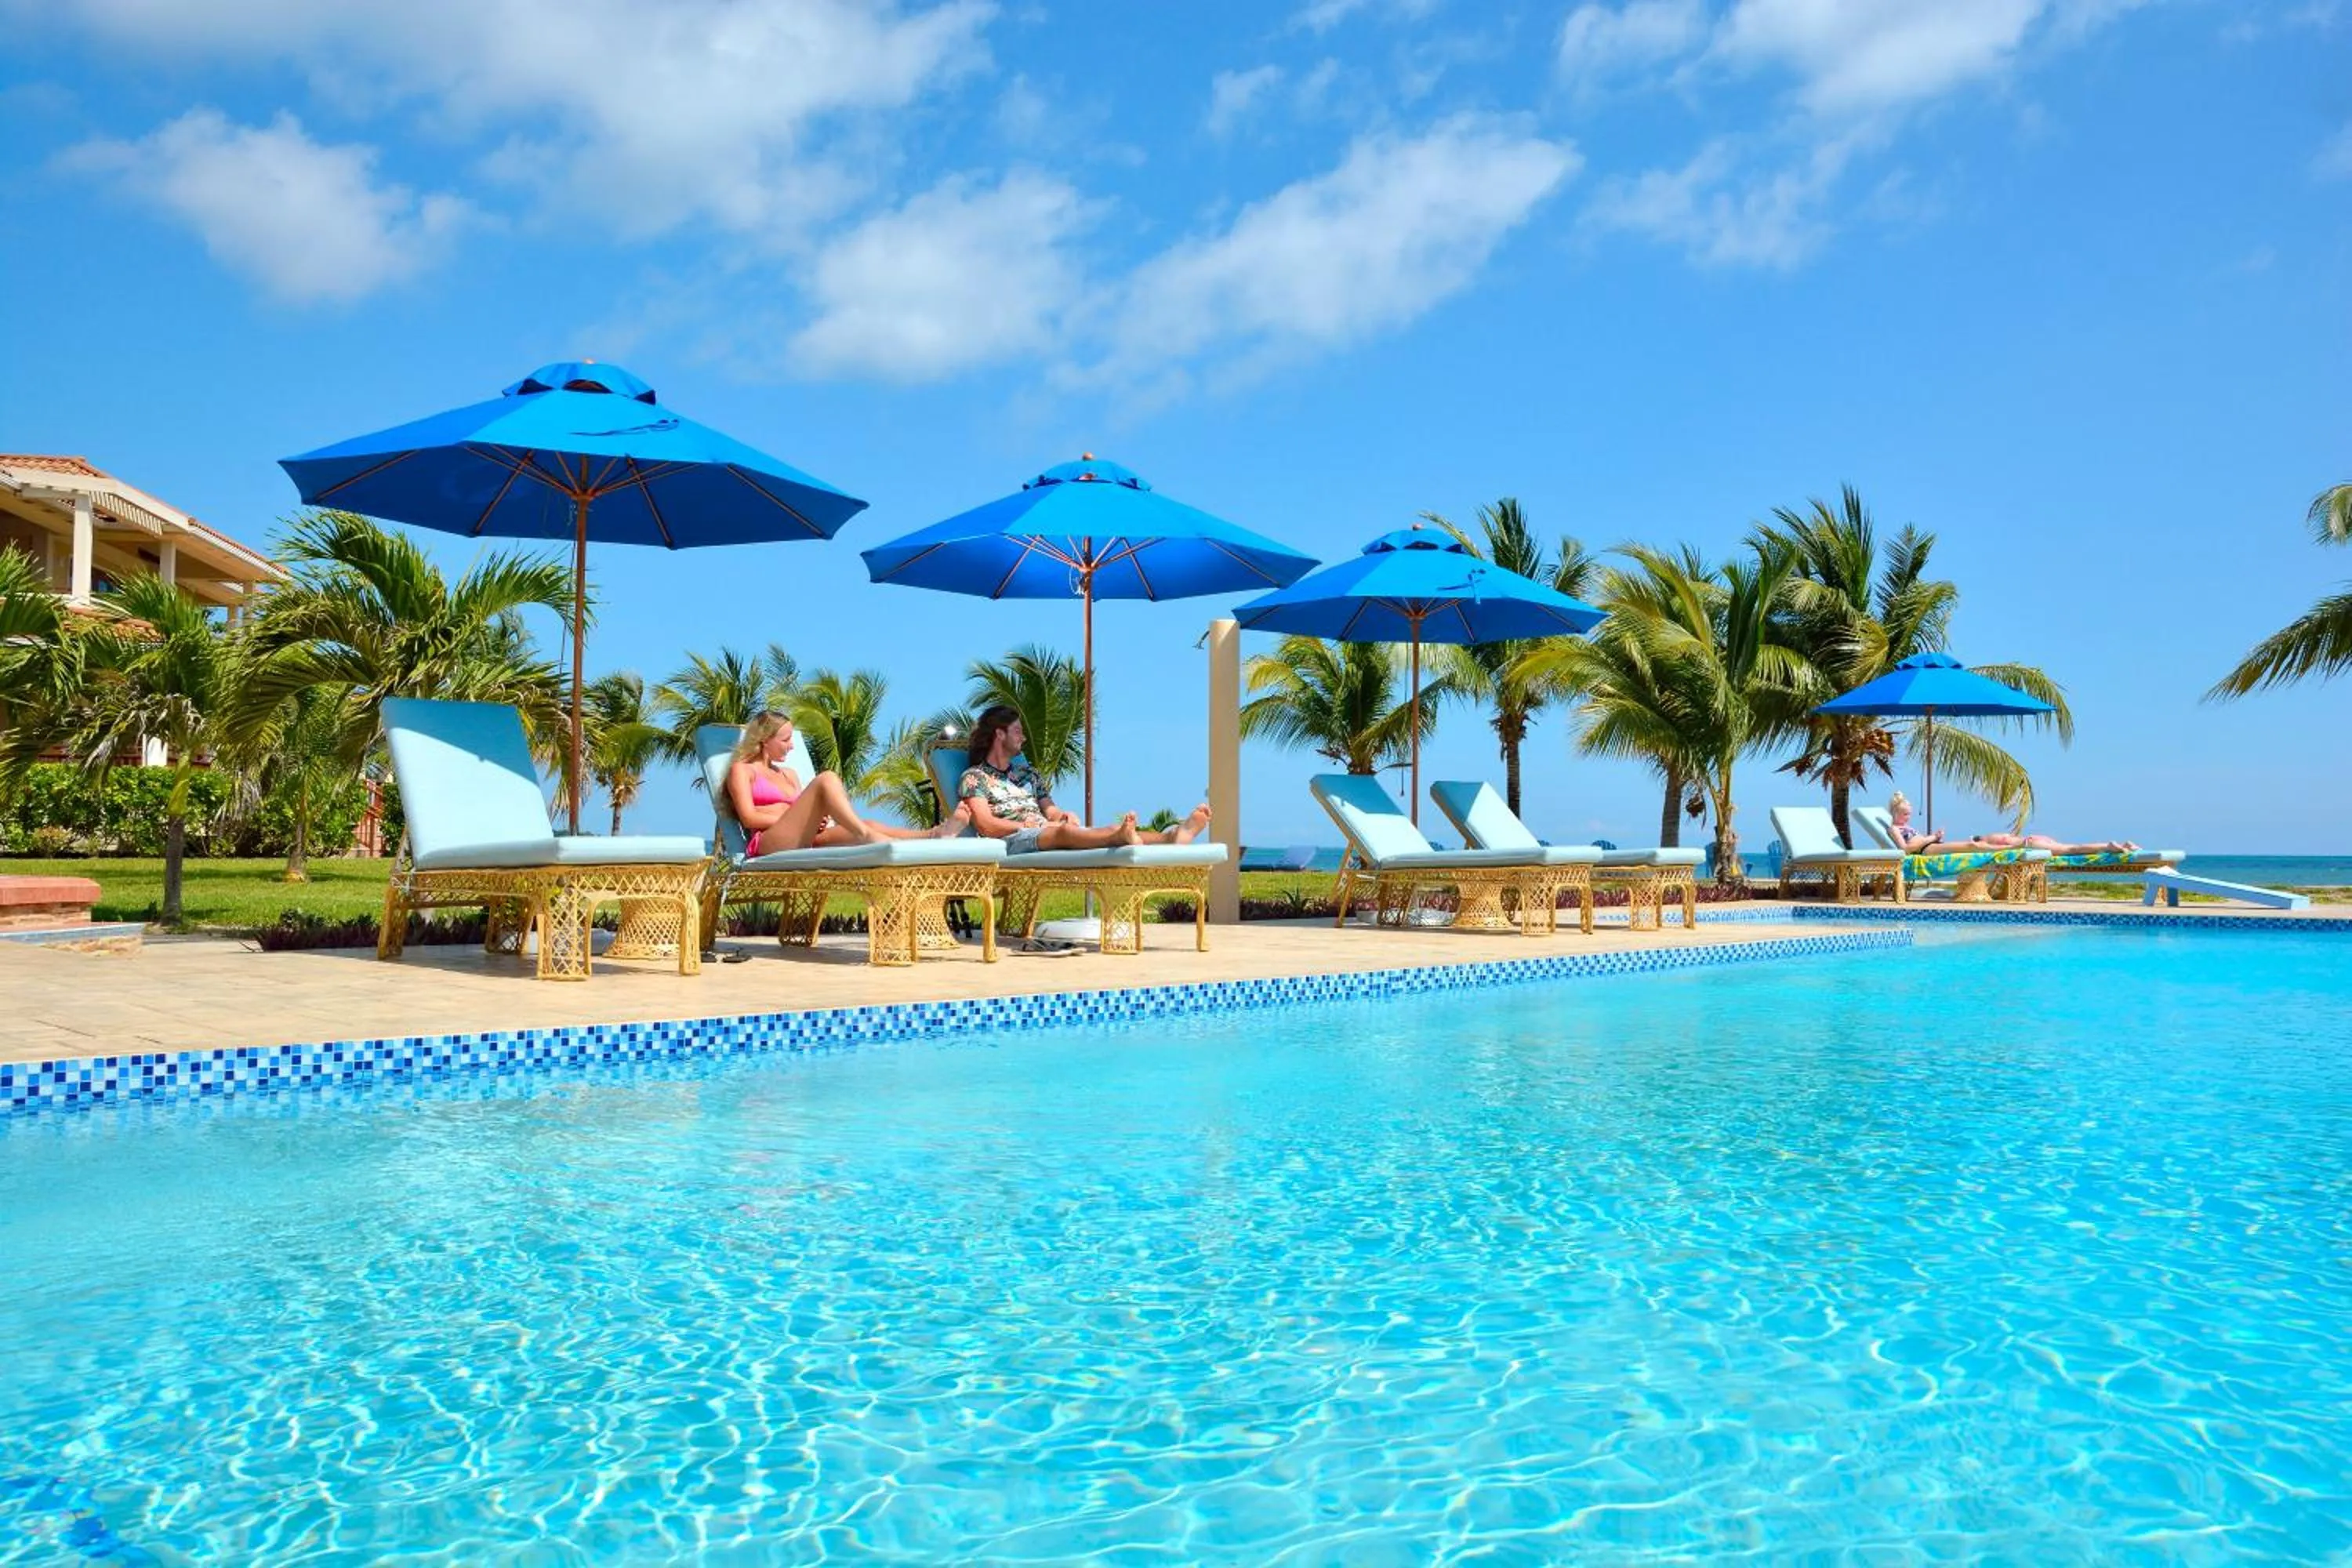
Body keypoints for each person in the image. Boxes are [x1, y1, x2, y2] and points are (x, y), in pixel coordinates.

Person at [958, 705, 1212, 853]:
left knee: (1093, 830)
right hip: (1010, 841)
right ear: (999, 734)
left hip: (1047, 832)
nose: (1023, 738)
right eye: (1017, 732)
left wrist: (1063, 816)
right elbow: (986, 825)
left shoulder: (1028, 774)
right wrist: (1031, 827)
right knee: (1065, 834)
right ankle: (1120, 837)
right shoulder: (974, 778)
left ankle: (1172, 837)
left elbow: (1051, 809)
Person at [726, 712, 967, 855]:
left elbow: (800, 811)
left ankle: (934, 834)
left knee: (868, 822)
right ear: (764, 740)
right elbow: (749, 818)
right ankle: (867, 836)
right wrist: (795, 817)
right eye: (786, 740)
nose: (792, 746)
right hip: (768, 842)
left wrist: (812, 819)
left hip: (806, 838)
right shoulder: (743, 770)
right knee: (826, 779)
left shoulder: (789, 774)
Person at [1888, 789, 2139, 855]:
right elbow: (1905, 849)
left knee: (2069, 847)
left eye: (1909, 814)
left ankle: (2110, 845)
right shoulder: (1893, 828)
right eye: (1904, 814)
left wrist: (1934, 836)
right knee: (1973, 846)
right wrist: (1932, 837)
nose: (1907, 817)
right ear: (1895, 812)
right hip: (1924, 849)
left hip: (1929, 845)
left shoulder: (1906, 826)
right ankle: (2109, 846)